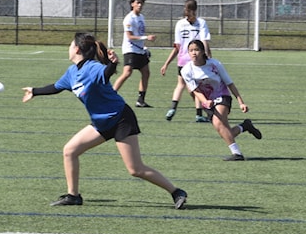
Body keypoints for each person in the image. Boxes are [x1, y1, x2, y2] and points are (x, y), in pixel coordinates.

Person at [22, 32, 188, 210]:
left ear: (77, 49)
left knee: (135, 169)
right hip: (101, 123)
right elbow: (55, 88)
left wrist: (113, 63)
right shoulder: (72, 72)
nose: (68, 48)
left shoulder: (92, 67)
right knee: (70, 151)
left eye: (71, 45)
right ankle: (73, 196)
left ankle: (177, 192)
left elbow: (107, 73)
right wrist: (34, 91)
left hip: (120, 118)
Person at [180, 40, 261, 161]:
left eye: (196, 50)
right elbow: (195, 90)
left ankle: (237, 154)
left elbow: (230, 84)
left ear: (202, 52)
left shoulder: (215, 64)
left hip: (222, 96)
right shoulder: (186, 70)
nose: (194, 53)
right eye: (191, 51)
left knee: (218, 124)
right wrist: (205, 102)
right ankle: (245, 126)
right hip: (207, 102)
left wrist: (241, 102)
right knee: (226, 132)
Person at [160, 0, 212, 123]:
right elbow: (204, 42)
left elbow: (177, 47)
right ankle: (199, 115)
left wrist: (166, 63)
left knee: (181, 85)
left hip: (182, 60)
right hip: (196, 60)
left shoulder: (179, 24)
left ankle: (172, 108)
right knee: (198, 87)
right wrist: (209, 57)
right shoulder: (201, 23)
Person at [112, 0, 156, 108]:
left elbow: (139, 34)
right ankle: (110, 95)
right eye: (138, 3)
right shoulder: (129, 18)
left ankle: (140, 100)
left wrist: (144, 47)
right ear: (132, 4)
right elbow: (130, 36)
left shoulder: (141, 17)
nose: (140, 5)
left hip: (140, 50)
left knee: (146, 72)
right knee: (127, 72)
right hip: (130, 49)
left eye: (141, 3)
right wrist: (146, 38)